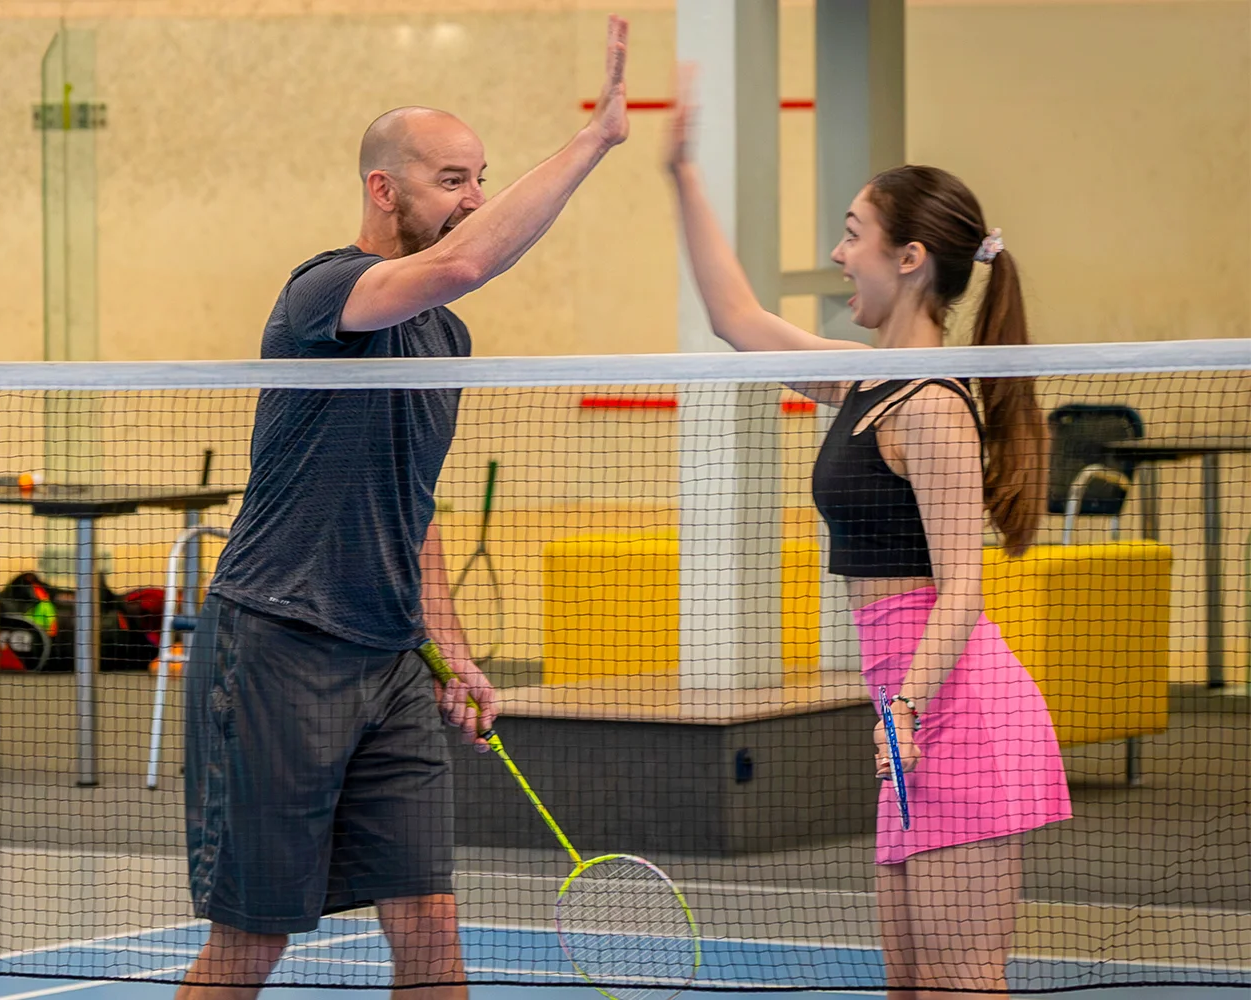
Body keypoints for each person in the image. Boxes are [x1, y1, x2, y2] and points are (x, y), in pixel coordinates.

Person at [177, 17, 631, 1000]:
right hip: (278, 646)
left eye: (481, 178)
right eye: (452, 179)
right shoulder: (324, 296)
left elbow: (411, 508)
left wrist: (450, 648)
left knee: (429, 925)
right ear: (384, 189)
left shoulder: (445, 338)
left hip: (389, 662)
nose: (473, 199)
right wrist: (593, 140)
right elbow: (463, 262)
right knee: (252, 943)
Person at [663, 68, 1070, 1000]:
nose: (837, 253)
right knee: (908, 983)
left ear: (911, 257)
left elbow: (962, 588)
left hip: (952, 711)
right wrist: (682, 171)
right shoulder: (863, 379)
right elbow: (736, 321)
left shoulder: (930, 405)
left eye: (853, 234)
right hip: (908, 711)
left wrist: (909, 710)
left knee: (961, 982)